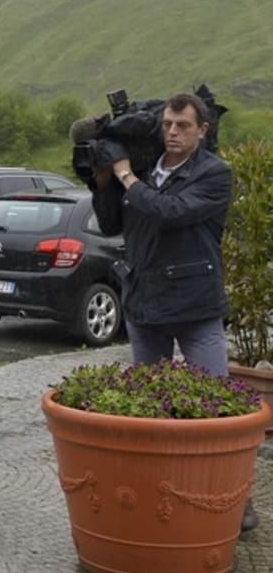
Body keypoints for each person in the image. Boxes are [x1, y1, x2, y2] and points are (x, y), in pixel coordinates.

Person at [90, 92, 256, 530]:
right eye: (167, 124)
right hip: (144, 304)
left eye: (183, 125)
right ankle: (160, 494)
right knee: (150, 408)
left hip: (195, 307)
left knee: (214, 411)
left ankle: (235, 500)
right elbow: (110, 224)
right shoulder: (145, 171)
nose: (173, 132)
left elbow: (169, 211)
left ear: (203, 130)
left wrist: (126, 176)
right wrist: (104, 178)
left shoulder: (214, 174)